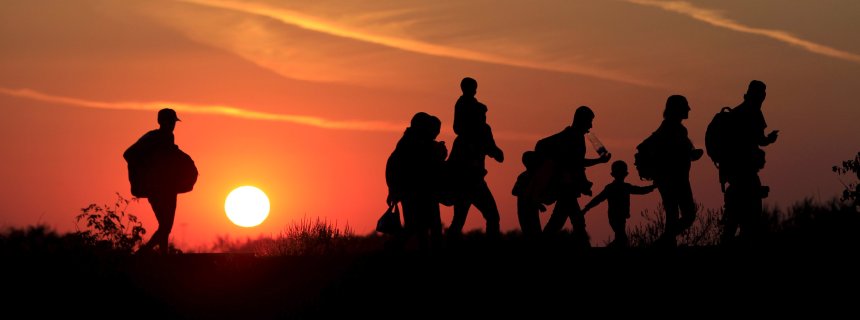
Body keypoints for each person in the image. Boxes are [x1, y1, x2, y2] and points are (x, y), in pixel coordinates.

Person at [530, 106, 611, 247]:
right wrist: (599, 161)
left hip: (567, 186)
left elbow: (576, 164)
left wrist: (583, 183)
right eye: (590, 121)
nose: (591, 126)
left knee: (562, 221)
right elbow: (576, 162)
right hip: (566, 186)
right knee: (574, 221)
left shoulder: (573, 136)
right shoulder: (573, 138)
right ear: (582, 120)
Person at [720, 80, 779, 245]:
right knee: (751, 214)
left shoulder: (737, 112)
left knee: (734, 215)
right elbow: (760, 140)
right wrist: (770, 140)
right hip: (746, 171)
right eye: (762, 94)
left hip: (733, 172)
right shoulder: (753, 113)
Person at [445, 77, 504, 238]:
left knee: (490, 216)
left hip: (476, 181)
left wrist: (497, 153)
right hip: (466, 183)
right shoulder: (464, 138)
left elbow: (492, 149)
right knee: (461, 220)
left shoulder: (483, 130)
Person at [124, 108, 185, 255]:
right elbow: (128, 154)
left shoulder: (169, 137)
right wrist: (146, 173)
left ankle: (163, 255)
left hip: (169, 187)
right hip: (157, 189)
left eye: (173, 122)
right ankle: (143, 254)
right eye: (169, 121)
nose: (171, 124)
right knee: (165, 226)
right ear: (160, 122)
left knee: (165, 226)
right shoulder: (152, 137)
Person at [386, 112, 448, 251]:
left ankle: (393, 250)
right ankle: (392, 250)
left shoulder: (410, 143)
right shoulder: (411, 145)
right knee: (421, 228)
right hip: (416, 193)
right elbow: (424, 165)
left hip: (423, 192)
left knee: (423, 228)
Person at [650, 95, 704, 247]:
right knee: (686, 216)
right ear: (677, 109)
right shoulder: (671, 129)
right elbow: (673, 154)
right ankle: (663, 243)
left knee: (674, 216)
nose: (689, 109)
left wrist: (690, 155)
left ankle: (666, 243)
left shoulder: (675, 129)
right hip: (674, 180)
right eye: (685, 106)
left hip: (675, 179)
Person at [582, 160, 656, 247]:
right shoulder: (614, 188)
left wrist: (652, 187)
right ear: (626, 174)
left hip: (620, 216)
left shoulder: (621, 187)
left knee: (621, 238)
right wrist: (587, 208)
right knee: (622, 238)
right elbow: (598, 199)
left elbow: (640, 190)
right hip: (615, 216)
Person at [512, 151, 548, 239]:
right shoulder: (524, 177)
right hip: (525, 211)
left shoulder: (533, 176)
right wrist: (538, 203)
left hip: (530, 210)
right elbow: (515, 191)